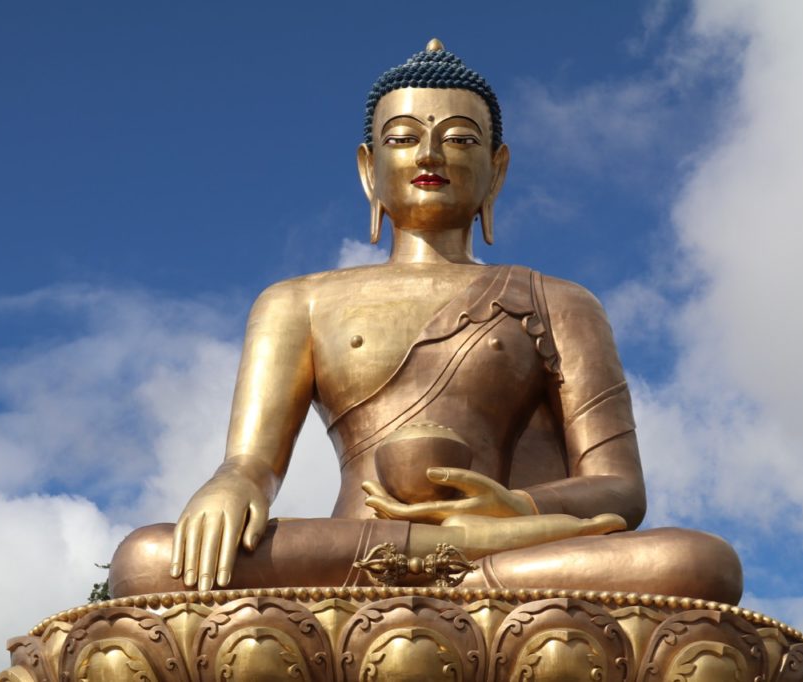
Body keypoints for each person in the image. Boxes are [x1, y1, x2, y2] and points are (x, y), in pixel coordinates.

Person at [109, 40, 742, 604]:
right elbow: (252, 463)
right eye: (404, 137)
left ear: (497, 169)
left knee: (694, 563)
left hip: (512, 542)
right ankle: (456, 574)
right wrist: (230, 484)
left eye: (462, 138)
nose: (431, 153)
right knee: (148, 560)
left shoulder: (561, 302)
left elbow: (618, 491)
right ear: (368, 169)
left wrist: (516, 508)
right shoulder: (295, 302)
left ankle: (453, 571)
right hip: (360, 545)